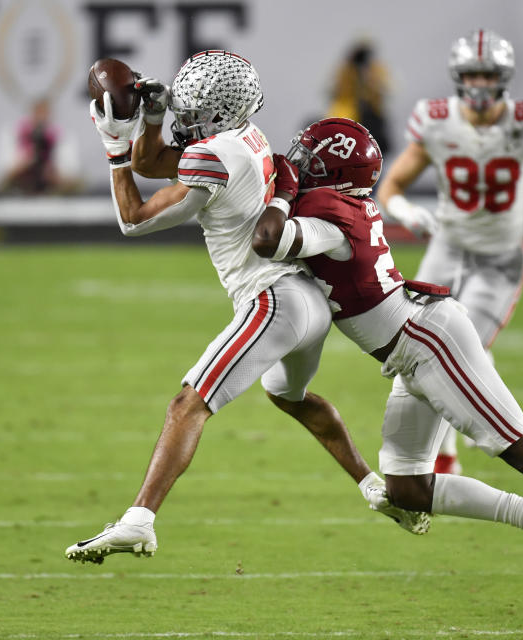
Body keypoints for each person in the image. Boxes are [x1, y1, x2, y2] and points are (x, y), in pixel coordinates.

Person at [251, 117, 523, 601]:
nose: (300, 166)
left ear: (335, 175)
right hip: (410, 350)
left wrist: (281, 194)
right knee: (407, 490)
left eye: (311, 161)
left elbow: (267, 239)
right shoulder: (334, 203)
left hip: (428, 342)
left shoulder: (329, 213)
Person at [64, 51, 428, 565]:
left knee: (188, 404)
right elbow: (157, 161)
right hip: (307, 303)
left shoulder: (211, 155)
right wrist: (147, 118)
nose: (182, 112)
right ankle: (373, 486)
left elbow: (133, 218)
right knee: (289, 395)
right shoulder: (244, 137)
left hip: (273, 299)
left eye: (192, 105)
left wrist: (113, 150)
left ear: (217, 111)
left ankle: (138, 521)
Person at [375, 29, 523, 475]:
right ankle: (448, 454)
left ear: (503, 76)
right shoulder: (436, 120)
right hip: (447, 248)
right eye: (470, 74)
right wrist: (406, 211)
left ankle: (459, 450)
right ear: (457, 77)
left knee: (453, 351)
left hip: (499, 258)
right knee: (422, 347)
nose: (478, 83)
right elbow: (391, 185)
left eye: (486, 73)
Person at [0, 98, 81, 195]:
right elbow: (4, 172)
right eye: (38, 113)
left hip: (53, 195)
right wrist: (25, 163)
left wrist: (52, 174)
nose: (41, 118)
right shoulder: (13, 133)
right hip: (19, 193)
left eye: (44, 113)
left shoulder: (62, 136)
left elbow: (71, 175)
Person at [328, 37, 393, 155]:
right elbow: (333, 91)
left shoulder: (375, 70)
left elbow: (387, 89)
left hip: (370, 116)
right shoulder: (345, 72)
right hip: (348, 115)